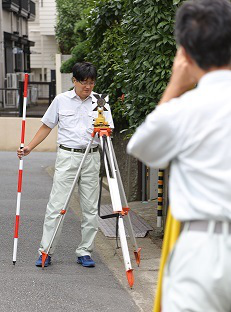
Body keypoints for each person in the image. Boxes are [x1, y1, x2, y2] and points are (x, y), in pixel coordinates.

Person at [127, 0, 231, 311]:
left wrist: (175, 84)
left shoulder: (185, 109)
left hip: (205, 248)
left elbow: (143, 148)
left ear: (184, 52)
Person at [17, 62, 114, 268]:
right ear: (74, 81)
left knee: (90, 208)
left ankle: (85, 251)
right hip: (67, 156)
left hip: (91, 157)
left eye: (91, 82)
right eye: (83, 82)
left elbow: (109, 131)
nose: (87, 86)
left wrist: (104, 128)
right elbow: (47, 126)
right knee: (57, 206)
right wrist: (30, 147)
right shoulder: (61, 100)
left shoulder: (101, 102)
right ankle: (46, 251)